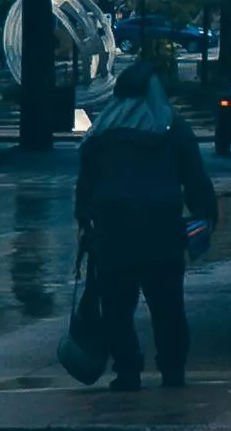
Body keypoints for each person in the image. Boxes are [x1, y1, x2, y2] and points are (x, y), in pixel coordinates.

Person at [73, 45, 214, 387]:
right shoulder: (172, 128)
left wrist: (86, 223)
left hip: (113, 235)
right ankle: (172, 369)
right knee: (167, 307)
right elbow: (195, 180)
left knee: (117, 309)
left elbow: (85, 185)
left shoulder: (101, 132)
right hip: (162, 234)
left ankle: (127, 370)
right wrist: (204, 216)